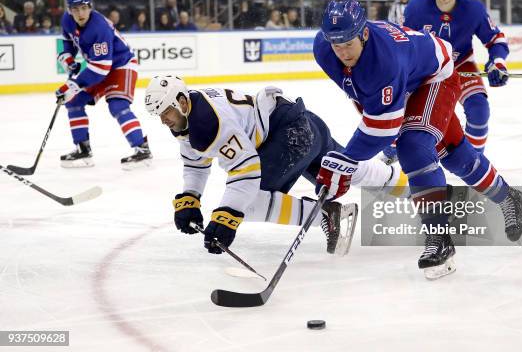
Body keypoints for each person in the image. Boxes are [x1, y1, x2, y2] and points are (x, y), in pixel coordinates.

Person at [313, 0, 522, 280]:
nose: (342, 52)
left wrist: (347, 160)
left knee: (414, 147)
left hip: (435, 78)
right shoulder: (324, 48)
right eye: (336, 45)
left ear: (364, 33)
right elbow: (362, 94)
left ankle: (440, 238)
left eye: (348, 44)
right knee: (454, 153)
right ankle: (507, 196)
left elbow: (383, 127)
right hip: (408, 78)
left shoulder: (385, 59)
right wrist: (351, 157)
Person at [144, 75, 410, 255]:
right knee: (346, 168)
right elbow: (195, 163)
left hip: (290, 136)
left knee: (248, 201)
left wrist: (227, 216)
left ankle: (327, 215)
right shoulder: (190, 116)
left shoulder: (207, 121)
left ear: (180, 102)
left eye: (165, 111)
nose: (163, 119)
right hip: (299, 123)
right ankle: (413, 188)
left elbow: (245, 171)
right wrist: (191, 197)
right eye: (159, 114)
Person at [402, 0, 510, 153]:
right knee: (406, 112)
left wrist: (497, 62)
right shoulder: (416, 7)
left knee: (479, 110)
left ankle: (475, 159)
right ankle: (392, 151)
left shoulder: (473, 10)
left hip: (460, 66)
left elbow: (496, 40)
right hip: (427, 70)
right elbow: (402, 41)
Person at [55, 0, 152, 169]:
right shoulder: (67, 20)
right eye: (75, 9)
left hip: (121, 65)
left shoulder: (99, 28)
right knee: (73, 102)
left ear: (90, 7)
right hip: (98, 66)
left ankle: (142, 150)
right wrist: (67, 58)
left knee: (118, 105)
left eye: (84, 8)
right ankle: (83, 150)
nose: (80, 13)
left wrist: (73, 84)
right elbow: (67, 40)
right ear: (69, 10)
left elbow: (101, 68)